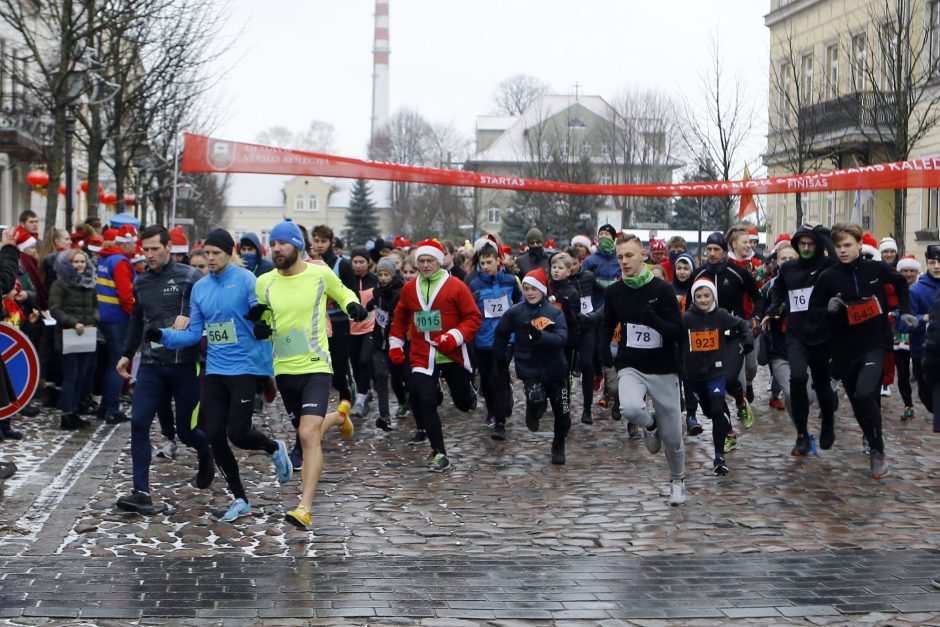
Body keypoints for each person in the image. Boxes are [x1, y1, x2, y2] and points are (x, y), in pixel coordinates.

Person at [153, 228, 292, 522]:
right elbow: (193, 334)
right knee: (214, 434)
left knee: (238, 433)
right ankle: (240, 498)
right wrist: (162, 336)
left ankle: (273, 447)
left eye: (216, 253)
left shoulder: (246, 280)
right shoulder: (201, 288)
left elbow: (262, 312)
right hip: (216, 368)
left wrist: (261, 323)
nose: (211, 258)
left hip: (245, 366)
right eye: (207, 253)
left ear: (230, 253)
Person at [255, 219, 366, 530]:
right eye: (273, 244)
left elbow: (343, 292)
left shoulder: (319, 274)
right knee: (311, 432)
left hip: (316, 366)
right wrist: (259, 328)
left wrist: (353, 306)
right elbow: (262, 318)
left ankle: (304, 506)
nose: (276, 249)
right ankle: (340, 417)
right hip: (284, 369)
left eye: (282, 243)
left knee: (306, 436)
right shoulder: (264, 282)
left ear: (298, 247)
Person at [114, 225, 215, 514]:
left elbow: (208, 311)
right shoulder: (141, 281)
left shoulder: (190, 277)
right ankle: (141, 492)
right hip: (151, 365)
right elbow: (136, 318)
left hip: (184, 364)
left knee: (185, 431)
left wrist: (189, 316)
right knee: (138, 422)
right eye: (144, 249)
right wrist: (125, 354)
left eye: (154, 249)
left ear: (169, 247)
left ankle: (205, 451)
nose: (148, 255)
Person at [809, 222, 913, 479]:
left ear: (859, 244)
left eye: (847, 245)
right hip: (844, 349)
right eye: (838, 246)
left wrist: (906, 311)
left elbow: (900, 282)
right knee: (858, 402)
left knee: (867, 393)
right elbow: (813, 311)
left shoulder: (876, 269)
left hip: (875, 343)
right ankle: (870, 435)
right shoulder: (828, 277)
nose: (842, 250)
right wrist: (828, 310)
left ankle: (878, 453)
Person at [601, 234, 687, 506]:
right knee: (629, 408)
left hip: (663, 367)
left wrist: (654, 321)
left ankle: (677, 480)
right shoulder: (614, 292)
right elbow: (606, 323)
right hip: (631, 364)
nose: (624, 261)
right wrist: (603, 351)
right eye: (620, 257)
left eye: (629, 255)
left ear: (643, 255)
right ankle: (650, 425)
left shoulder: (662, 290)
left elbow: (677, 332)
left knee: (673, 436)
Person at [389, 239, 482, 472]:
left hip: (451, 352)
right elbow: (400, 317)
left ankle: (469, 392)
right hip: (422, 352)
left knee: (463, 403)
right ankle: (439, 452)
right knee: (425, 400)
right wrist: (396, 344)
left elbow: (473, 318)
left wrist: (454, 336)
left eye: (430, 260)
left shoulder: (456, 286)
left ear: (439, 262)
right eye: (421, 261)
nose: (425, 265)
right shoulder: (409, 289)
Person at [764, 223, 839, 455]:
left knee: (823, 385)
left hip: (822, 335)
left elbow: (836, 259)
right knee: (796, 378)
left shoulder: (827, 265)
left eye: (810, 244)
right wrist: (774, 308)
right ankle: (802, 433)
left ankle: (827, 421)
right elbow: (777, 288)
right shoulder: (789, 269)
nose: (806, 248)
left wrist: (821, 232)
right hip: (796, 335)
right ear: (796, 246)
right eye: (802, 244)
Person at [692, 231, 761, 451]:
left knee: (731, 379)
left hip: (733, 335)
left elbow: (757, 296)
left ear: (724, 251)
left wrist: (755, 319)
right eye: (709, 249)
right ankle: (728, 431)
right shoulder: (699, 273)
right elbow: (689, 304)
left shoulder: (737, 272)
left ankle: (741, 401)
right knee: (715, 387)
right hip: (707, 338)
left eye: (716, 250)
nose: (712, 254)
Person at [494, 268, 570, 463]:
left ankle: (558, 445)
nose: (529, 292)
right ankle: (533, 409)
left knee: (563, 412)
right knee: (536, 398)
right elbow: (501, 333)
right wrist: (500, 356)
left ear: (543, 290)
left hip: (555, 369)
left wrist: (540, 336)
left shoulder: (555, 312)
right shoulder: (516, 312)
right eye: (526, 288)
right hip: (529, 367)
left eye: (534, 289)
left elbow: (562, 338)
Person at [682, 277, 753, 475]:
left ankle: (719, 456)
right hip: (694, 376)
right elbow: (673, 337)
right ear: (693, 298)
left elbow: (743, 325)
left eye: (707, 295)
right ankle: (720, 427)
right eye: (699, 296)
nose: (703, 300)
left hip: (716, 372)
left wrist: (747, 341)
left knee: (716, 409)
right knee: (708, 411)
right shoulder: (686, 319)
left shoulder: (721, 316)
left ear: (713, 296)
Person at [468, 238, 520, 437]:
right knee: (488, 381)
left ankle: (500, 422)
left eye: (490, 262)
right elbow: (469, 310)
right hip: (482, 340)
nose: (486, 266)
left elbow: (519, 299)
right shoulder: (474, 284)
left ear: (498, 261)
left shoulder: (509, 280)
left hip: (506, 339)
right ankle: (494, 409)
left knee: (497, 377)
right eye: (482, 263)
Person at [48, 249, 97, 430]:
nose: (79, 265)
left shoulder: (90, 284)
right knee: (71, 376)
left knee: (82, 376)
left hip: (87, 335)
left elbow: (95, 307)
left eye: (82, 262)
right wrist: (73, 322)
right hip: (68, 336)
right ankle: (67, 413)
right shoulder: (60, 284)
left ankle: (75, 410)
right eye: (76, 262)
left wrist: (93, 321)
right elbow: (55, 308)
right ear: (69, 264)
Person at [310, 225, 357, 409]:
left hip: (339, 323)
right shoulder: (308, 265)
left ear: (332, 242)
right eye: (317, 241)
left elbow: (351, 292)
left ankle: (346, 395)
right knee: (319, 369)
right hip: (317, 324)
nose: (320, 245)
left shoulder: (342, 265)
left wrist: (351, 306)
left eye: (323, 241)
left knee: (338, 372)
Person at [96, 225, 137, 424]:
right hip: (118, 318)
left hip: (104, 316)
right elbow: (125, 294)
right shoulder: (121, 261)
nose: (136, 247)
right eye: (134, 242)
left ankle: (105, 406)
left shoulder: (105, 257)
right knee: (119, 364)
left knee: (110, 363)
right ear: (126, 242)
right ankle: (112, 408)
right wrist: (135, 316)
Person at [368, 256, 407, 430]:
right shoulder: (378, 292)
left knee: (398, 378)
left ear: (393, 275)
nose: (383, 278)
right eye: (380, 274)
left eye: (386, 274)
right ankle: (384, 416)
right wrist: (362, 310)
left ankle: (404, 401)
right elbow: (372, 304)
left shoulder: (400, 292)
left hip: (396, 342)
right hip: (379, 342)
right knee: (381, 376)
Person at [906, 245, 940, 416]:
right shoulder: (916, 290)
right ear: (926, 263)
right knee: (926, 395)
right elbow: (905, 322)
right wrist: (923, 318)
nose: (937, 266)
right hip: (922, 350)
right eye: (932, 262)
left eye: (939, 262)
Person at [348, 249, 378, 417]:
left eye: (362, 262)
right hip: (351, 329)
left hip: (370, 327)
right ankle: (364, 390)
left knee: (365, 359)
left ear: (368, 263)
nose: (358, 265)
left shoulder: (374, 280)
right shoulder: (347, 281)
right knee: (356, 364)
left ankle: (360, 399)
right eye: (355, 262)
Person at [891, 255, 921, 420]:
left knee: (920, 372)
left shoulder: (922, 288)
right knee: (902, 374)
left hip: (918, 335)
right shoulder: (893, 288)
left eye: (911, 270)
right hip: (899, 336)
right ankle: (908, 404)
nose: (908, 273)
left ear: (917, 272)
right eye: (905, 270)